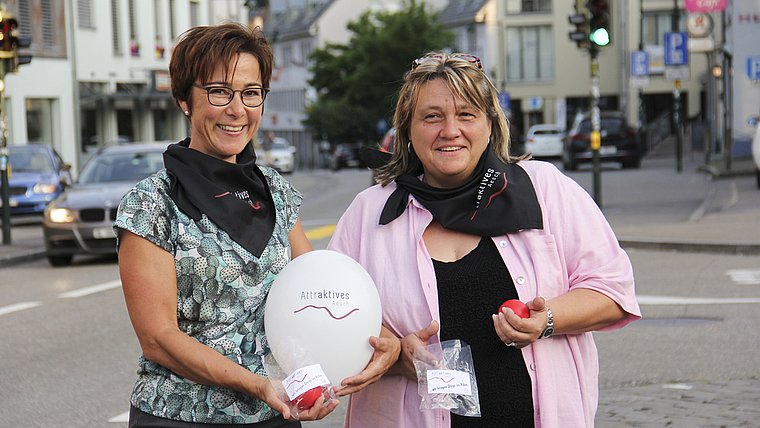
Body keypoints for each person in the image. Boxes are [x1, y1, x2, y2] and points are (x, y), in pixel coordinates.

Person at [327, 53, 641, 427]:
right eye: (432, 116)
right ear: (406, 130)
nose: (450, 130)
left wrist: (548, 319)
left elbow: (614, 292)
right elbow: (332, 317)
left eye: (466, 114)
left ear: (490, 125)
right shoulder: (370, 213)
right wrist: (395, 354)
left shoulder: (542, 189)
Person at [114, 23, 351, 427]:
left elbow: (314, 293)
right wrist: (259, 385)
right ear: (184, 99)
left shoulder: (275, 190)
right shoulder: (151, 204)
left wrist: (382, 341)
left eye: (251, 93)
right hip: (182, 418)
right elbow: (159, 340)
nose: (237, 109)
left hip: (275, 412)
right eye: (219, 91)